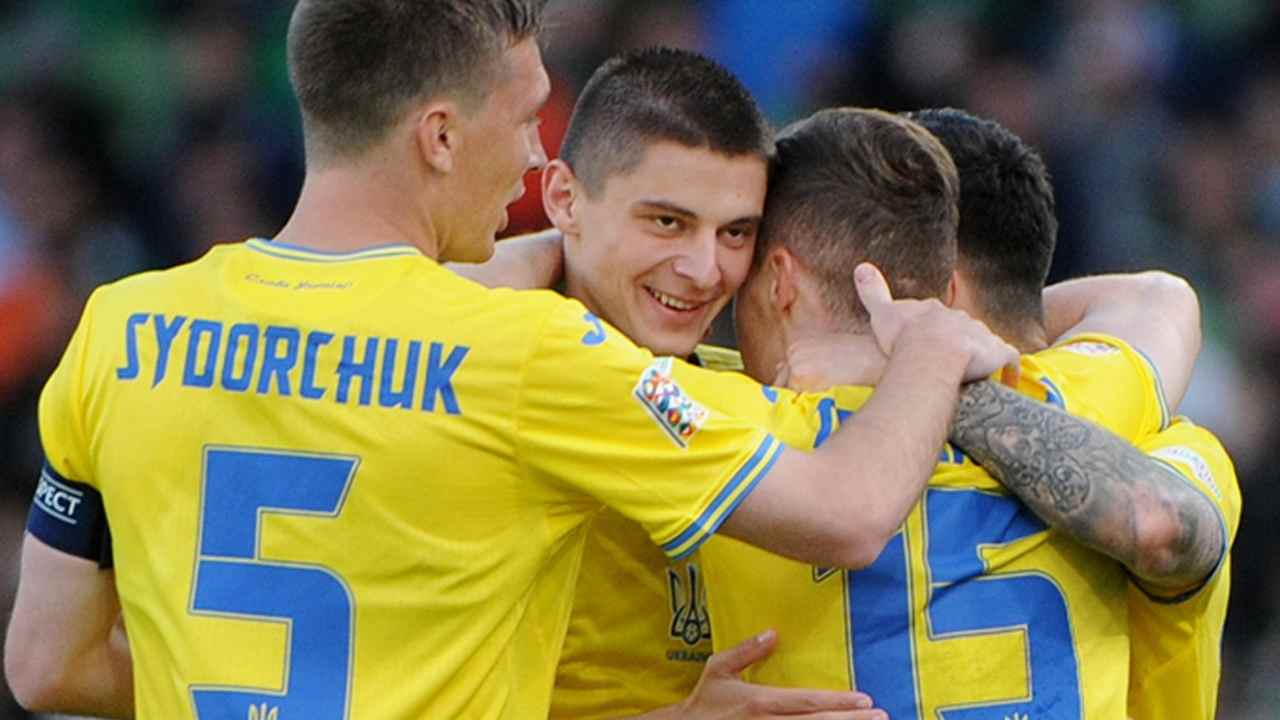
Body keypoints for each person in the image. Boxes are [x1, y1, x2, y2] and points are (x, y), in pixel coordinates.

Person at [1, 3, 1019, 719]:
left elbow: (47, 666)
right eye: (526, 115)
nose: (536, 153)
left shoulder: (119, 328)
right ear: (440, 136)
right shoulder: (524, 351)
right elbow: (846, 513)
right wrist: (931, 349)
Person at [704, 107, 1231, 717]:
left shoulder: (733, 423)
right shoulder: (1110, 418)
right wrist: (922, 353)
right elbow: (1156, 295)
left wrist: (916, 358)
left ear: (780, 282)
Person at [903, 108, 1240, 720]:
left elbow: (1156, 523)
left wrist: (925, 357)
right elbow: (1155, 295)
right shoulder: (1127, 412)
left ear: (938, 289)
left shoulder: (823, 435)